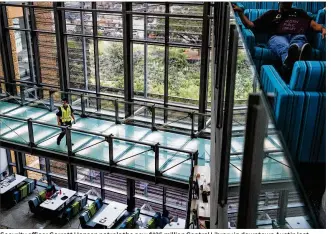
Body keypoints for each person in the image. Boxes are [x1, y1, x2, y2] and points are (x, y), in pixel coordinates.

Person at [233, 2, 326, 73]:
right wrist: (240, 13)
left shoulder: (299, 12)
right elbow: (250, 25)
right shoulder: (271, 14)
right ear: (279, 2)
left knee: (299, 41)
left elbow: (314, 25)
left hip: (297, 35)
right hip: (277, 37)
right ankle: (289, 59)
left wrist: (323, 29)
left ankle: (298, 53)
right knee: (283, 45)